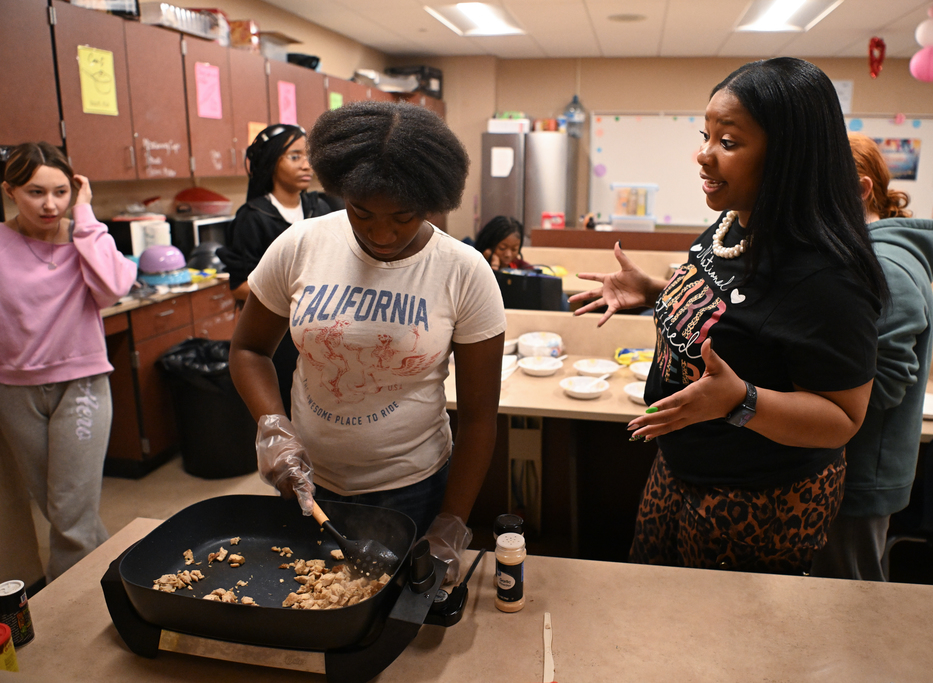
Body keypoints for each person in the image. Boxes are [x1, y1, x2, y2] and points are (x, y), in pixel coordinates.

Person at [570, 57, 889, 575]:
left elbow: (843, 419)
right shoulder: (733, 223)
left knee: (721, 648)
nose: (703, 154)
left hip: (758, 502)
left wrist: (742, 402)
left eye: (729, 142)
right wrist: (655, 291)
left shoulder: (829, 275)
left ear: (788, 156)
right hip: (681, 469)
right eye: (706, 135)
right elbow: (733, 311)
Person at [229, 101, 506, 580]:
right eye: (361, 212)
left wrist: (451, 522)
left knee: (393, 617)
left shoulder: (464, 271)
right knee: (313, 597)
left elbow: (480, 417)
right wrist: (273, 427)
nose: (381, 233)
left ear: (432, 200)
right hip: (306, 479)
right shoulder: (301, 245)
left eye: (403, 217)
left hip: (411, 487)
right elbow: (249, 350)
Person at [0, 142, 137, 582]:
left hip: (82, 386)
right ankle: (116, 582)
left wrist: (85, 217)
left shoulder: (85, 238)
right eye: (36, 192)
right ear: (10, 191)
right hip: (15, 391)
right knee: (60, 511)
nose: (50, 204)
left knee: (71, 516)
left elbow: (114, 287)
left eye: (61, 191)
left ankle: (71, 618)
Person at [810, 133, 933, 581]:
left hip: (862, 477)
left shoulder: (885, 264)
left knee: (850, 604)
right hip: (849, 468)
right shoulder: (862, 253)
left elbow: (884, 384)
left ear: (862, 190)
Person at [217, 124, 332, 418]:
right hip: (278, 337)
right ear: (270, 161)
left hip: (323, 332)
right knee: (288, 407)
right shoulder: (253, 217)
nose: (306, 164)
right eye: (294, 156)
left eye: (308, 155)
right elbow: (240, 285)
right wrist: (297, 301)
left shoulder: (320, 207)